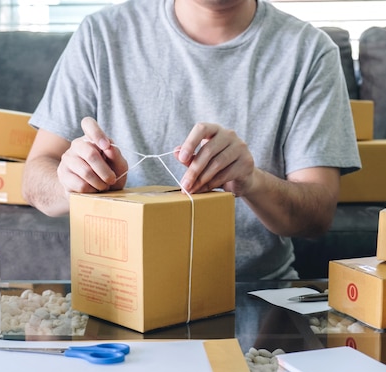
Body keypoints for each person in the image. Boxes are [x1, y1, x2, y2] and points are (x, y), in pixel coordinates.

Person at [22, 0, 361, 281]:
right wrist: (72, 182)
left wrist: (252, 181)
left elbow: (317, 217)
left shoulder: (310, 51)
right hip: (121, 290)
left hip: (252, 290)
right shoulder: (102, 35)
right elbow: (35, 179)